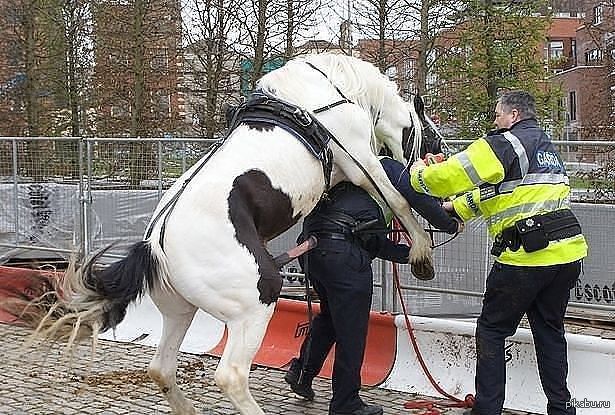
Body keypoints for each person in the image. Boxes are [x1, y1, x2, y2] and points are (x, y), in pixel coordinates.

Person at [408, 90, 588, 415]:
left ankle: (488, 409)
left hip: (524, 259)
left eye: (497, 114)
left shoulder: (505, 143)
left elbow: (448, 176)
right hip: (565, 257)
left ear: (514, 115)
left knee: (491, 330)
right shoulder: (544, 147)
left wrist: (418, 174)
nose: (494, 121)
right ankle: (561, 409)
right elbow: (500, 192)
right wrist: (455, 209)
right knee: (549, 333)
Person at [285, 157, 462, 415]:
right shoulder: (387, 167)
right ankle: (346, 403)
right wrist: (450, 225)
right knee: (351, 332)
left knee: (331, 319)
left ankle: (302, 373)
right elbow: (421, 199)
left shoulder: (350, 174)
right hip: (343, 255)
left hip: (313, 250)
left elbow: (371, 241)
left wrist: (409, 254)